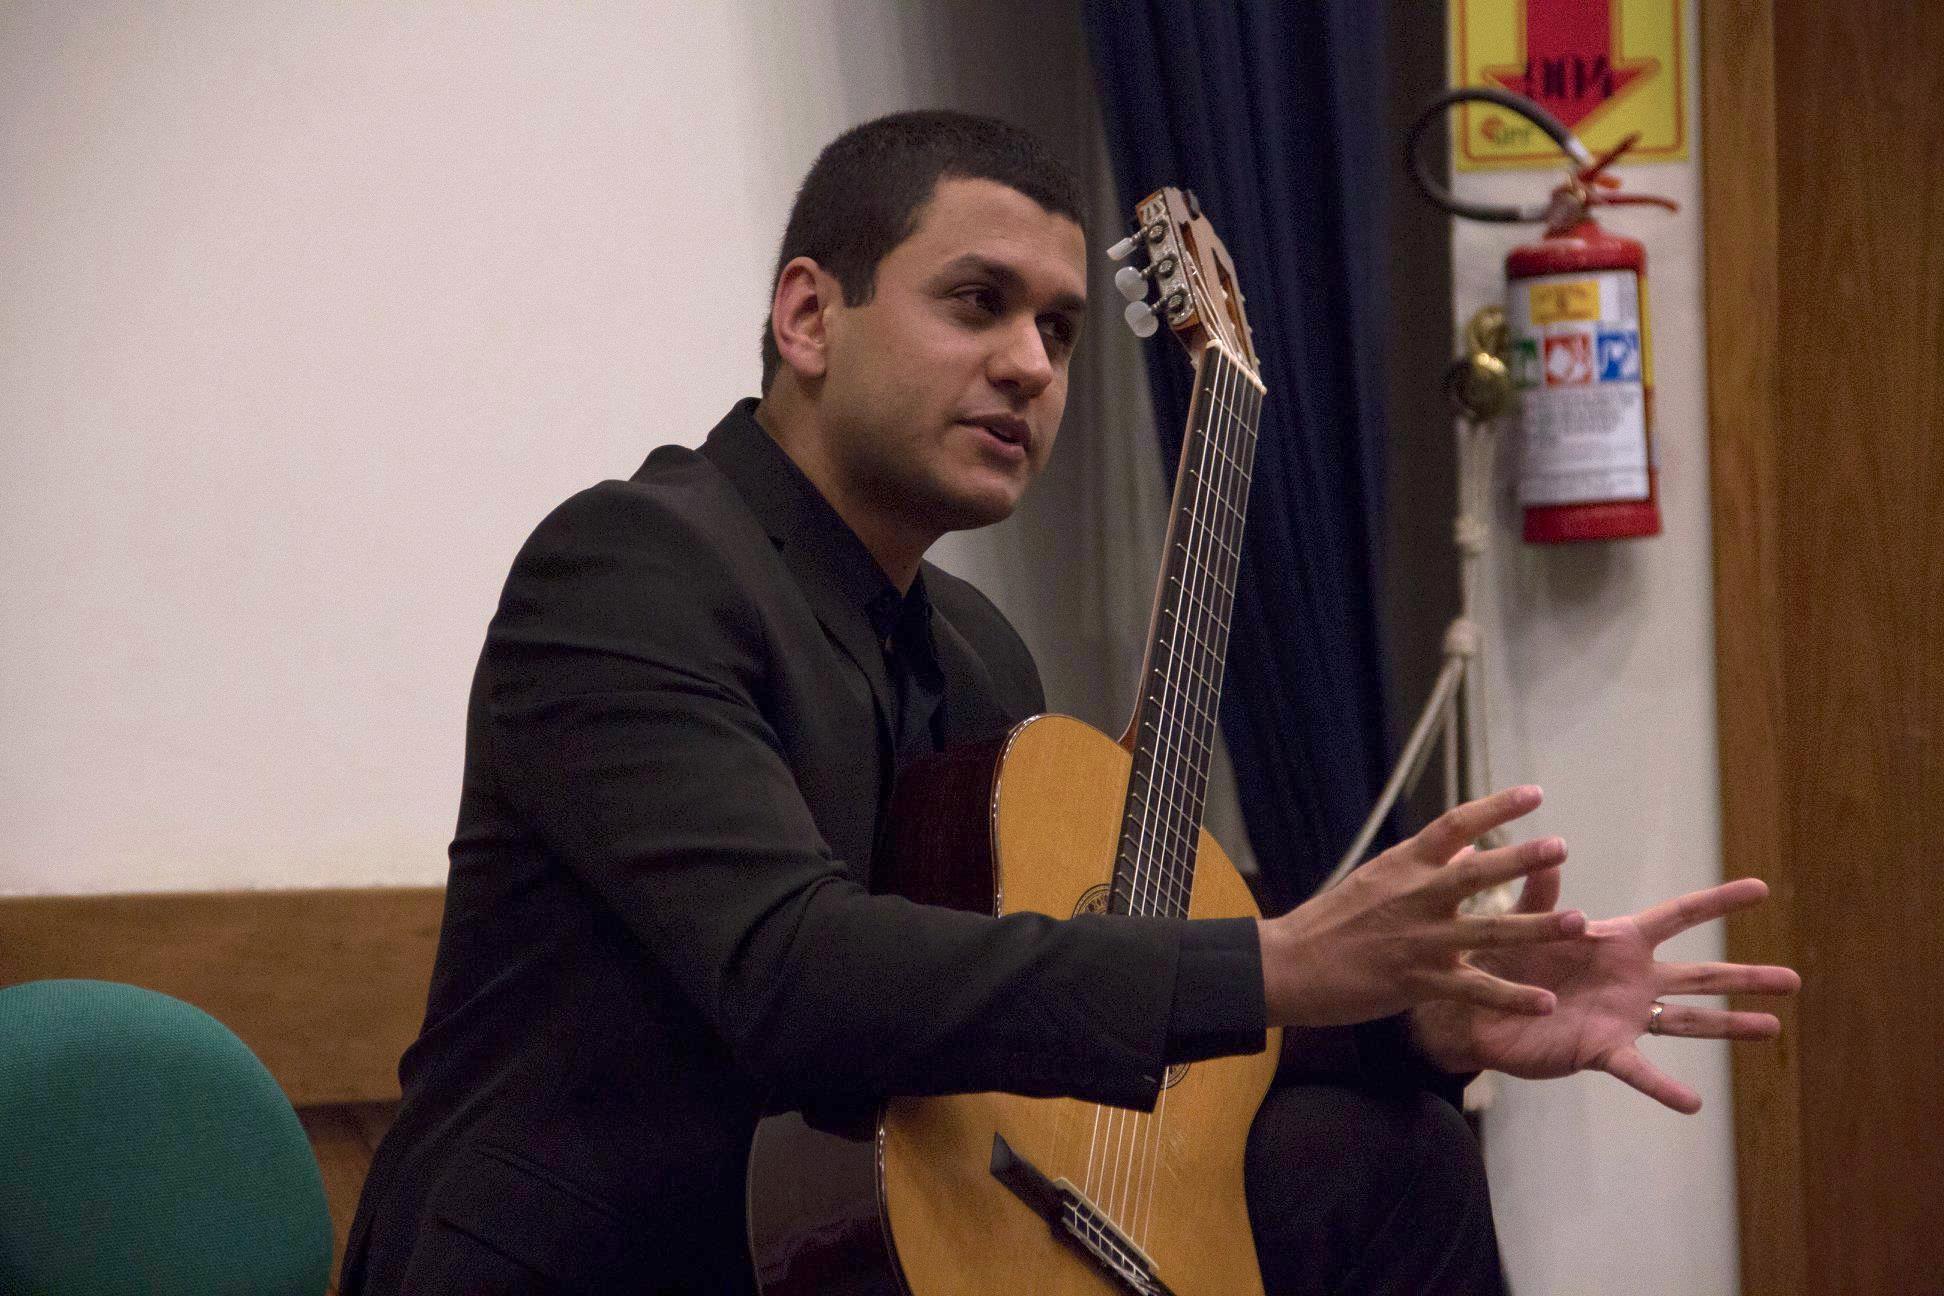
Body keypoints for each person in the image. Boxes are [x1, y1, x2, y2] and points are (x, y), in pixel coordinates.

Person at [341, 110, 1799, 1295]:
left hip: (870, 1250)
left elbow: (1050, 998)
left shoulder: (978, 654)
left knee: (1382, 1156)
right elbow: (793, 977)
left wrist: (1420, 1015)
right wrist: (1278, 962)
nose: (1031, 365)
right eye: (977, 303)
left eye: (1059, 328)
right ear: (808, 315)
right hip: (609, 1259)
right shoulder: (630, 568)